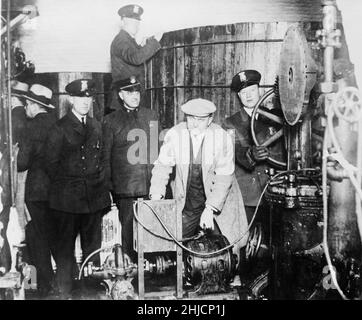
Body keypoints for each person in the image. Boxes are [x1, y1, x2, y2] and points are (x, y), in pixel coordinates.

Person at [149, 98, 248, 249]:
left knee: (226, 249)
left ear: (210, 120)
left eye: (201, 120)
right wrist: (156, 196)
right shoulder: (175, 134)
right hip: (189, 203)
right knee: (177, 245)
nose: (195, 124)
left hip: (219, 200)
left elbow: (223, 179)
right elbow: (162, 167)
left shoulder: (221, 137)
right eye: (191, 118)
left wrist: (210, 209)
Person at [45, 79, 111, 298]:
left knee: (93, 249)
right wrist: (70, 187)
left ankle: (92, 290)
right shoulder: (59, 127)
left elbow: (103, 159)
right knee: (65, 252)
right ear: (71, 99)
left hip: (93, 200)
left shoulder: (96, 126)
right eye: (80, 97)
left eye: (88, 97)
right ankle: (64, 292)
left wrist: (100, 188)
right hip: (66, 201)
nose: (85, 102)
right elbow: (51, 165)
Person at [103, 76, 159, 261]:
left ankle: (150, 274)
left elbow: (155, 152)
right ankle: (131, 273)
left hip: (150, 187)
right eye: (129, 92)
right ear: (121, 95)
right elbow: (106, 157)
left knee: (151, 231)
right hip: (125, 189)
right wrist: (110, 189)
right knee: (128, 232)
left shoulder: (151, 116)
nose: (135, 96)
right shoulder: (110, 121)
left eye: (136, 91)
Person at [222, 70, 281, 224]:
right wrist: (250, 154)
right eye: (243, 92)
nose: (248, 96)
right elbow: (233, 150)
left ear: (259, 90)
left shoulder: (277, 119)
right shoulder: (230, 123)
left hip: (275, 191)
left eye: (252, 90)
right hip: (247, 195)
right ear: (239, 96)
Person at [17, 84, 57, 295]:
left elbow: (22, 163)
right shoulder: (59, 124)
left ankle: (41, 287)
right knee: (56, 240)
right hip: (58, 192)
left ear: (34, 105)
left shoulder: (30, 128)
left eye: (27, 104)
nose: (25, 108)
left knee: (36, 240)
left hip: (37, 192)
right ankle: (64, 286)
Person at [109, 4, 163, 111]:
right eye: (132, 22)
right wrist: (154, 42)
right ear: (123, 21)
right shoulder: (121, 40)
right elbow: (136, 58)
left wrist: (140, 47)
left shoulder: (127, 40)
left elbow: (130, 58)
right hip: (124, 99)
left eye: (137, 23)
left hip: (131, 95)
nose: (136, 26)